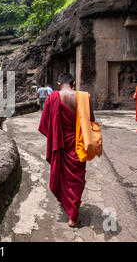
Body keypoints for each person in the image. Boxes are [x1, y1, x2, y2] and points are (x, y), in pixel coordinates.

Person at [38, 73, 95, 228]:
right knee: (77, 178)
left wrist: (55, 135)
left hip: (60, 144)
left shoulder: (52, 98)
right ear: (74, 83)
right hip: (78, 144)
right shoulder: (83, 97)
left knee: (62, 175)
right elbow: (91, 120)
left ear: (58, 83)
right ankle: (73, 216)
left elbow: (44, 125)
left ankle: (71, 211)